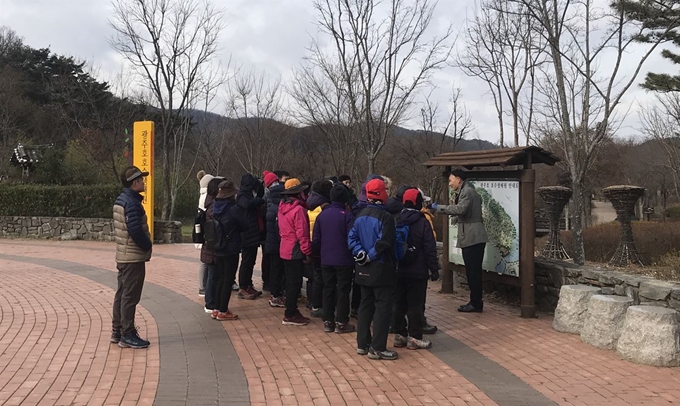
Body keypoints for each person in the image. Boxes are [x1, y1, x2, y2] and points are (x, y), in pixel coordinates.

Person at [348, 178, 398, 360]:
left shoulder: (359, 215)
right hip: (381, 267)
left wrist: (360, 253)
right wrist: (370, 254)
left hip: (362, 267)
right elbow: (384, 242)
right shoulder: (387, 218)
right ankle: (378, 347)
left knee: (365, 305)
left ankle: (363, 344)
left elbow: (351, 238)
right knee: (382, 307)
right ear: (382, 194)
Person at [431, 168, 488, 313]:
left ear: (458, 179)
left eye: (451, 180)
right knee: (472, 271)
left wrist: (438, 208)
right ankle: (475, 302)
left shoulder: (467, 192)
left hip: (473, 237)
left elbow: (460, 209)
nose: (450, 184)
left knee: (473, 271)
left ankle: (476, 303)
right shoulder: (466, 190)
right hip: (471, 236)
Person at [392, 189, 440, 350]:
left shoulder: (396, 219)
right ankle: (415, 337)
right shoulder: (422, 221)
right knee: (416, 305)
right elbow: (429, 248)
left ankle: (399, 335)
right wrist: (434, 269)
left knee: (398, 303)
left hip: (398, 270)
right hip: (418, 271)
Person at [111, 166, 153, 349]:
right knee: (130, 296)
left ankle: (117, 330)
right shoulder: (132, 203)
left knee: (122, 294)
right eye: (141, 180)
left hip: (123, 255)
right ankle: (127, 334)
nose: (143, 182)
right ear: (134, 183)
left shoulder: (122, 200)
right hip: (132, 257)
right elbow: (135, 229)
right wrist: (147, 244)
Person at [313, 183, 356, 334]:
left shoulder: (322, 215)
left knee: (328, 289)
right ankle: (342, 322)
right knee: (343, 290)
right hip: (344, 259)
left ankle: (328, 321)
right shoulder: (348, 216)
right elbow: (352, 237)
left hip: (326, 258)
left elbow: (316, 239)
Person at [212, 180, 250, 320]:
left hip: (218, 246)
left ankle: (216, 308)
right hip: (231, 248)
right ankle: (223, 311)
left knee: (220, 279)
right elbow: (245, 226)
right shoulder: (233, 209)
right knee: (228, 280)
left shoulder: (215, 207)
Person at [278, 178, 312, 326]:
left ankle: (291, 309)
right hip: (295, 249)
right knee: (295, 283)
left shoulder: (282, 206)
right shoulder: (298, 210)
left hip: (284, 247)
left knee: (290, 281)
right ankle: (290, 313)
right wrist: (307, 251)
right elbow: (302, 233)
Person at [236, 173, 266, 300]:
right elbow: (247, 204)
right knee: (246, 261)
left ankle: (248, 284)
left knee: (251, 261)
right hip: (247, 234)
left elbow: (258, 195)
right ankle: (243, 286)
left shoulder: (250, 195)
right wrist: (259, 200)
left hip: (253, 233)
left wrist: (260, 188)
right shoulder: (241, 196)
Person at [306, 179, 334, 317]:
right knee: (322, 279)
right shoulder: (323, 208)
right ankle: (318, 305)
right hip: (321, 247)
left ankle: (313, 303)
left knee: (315, 277)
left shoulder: (309, 205)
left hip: (312, 246)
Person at [264, 172, 287, 308]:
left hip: (271, 243)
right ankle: (276, 295)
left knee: (274, 269)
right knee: (277, 270)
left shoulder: (270, 207)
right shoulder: (278, 209)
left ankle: (275, 293)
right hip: (277, 243)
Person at [200, 177, 223, 315]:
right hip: (213, 247)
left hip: (209, 246)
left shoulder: (209, 203)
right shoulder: (214, 206)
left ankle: (211, 302)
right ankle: (210, 303)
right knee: (213, 276)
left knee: (212, 275)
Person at [196, 170, 214, 298]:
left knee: (204, 259)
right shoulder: (206, 197)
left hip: (203, 230)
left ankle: (203, 285)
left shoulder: (203, 195)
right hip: (206, 230)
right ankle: (202, 286)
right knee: (204, 260)